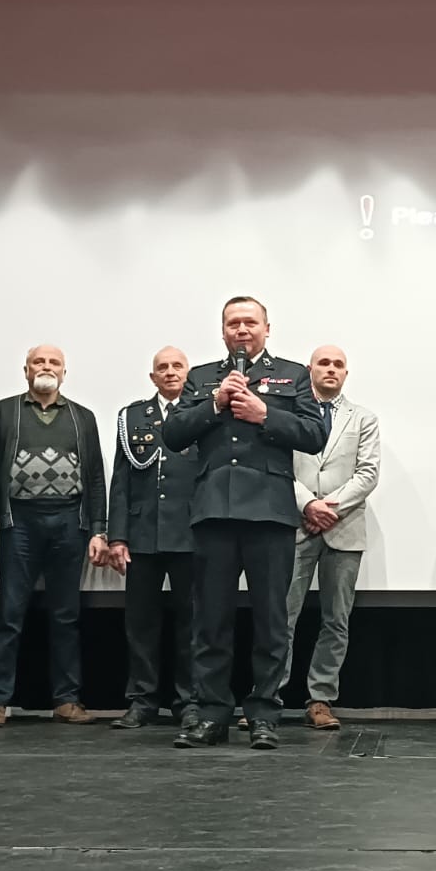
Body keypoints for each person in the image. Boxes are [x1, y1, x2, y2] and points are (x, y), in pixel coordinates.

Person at [162, 296, 328, 749]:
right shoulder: (201, 378)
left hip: (270, 514)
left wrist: (266, 414)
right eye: (233, 323)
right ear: (223, 331)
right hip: (213, 512)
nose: (241, 329)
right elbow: (173, 434)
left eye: (250, 322)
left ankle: (264, 715)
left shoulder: (293, 375)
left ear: (266, 328)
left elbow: (315, 435)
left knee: (271, 622)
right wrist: (215, 404)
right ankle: (211, 714)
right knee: (210, 622)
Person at [0, 344, 109, 727]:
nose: (46, 367)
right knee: (9, 614)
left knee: (66, 615)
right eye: (39, 361)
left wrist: (98, 528)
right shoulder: (3, 412)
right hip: (20, 522)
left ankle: (67, 700)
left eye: (54, 362)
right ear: (26, 370)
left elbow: (95, 477)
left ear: (64, 373)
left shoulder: (82, 417)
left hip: (70, 521)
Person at [282, 344, 381, 730]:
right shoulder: (290, 415)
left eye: (338, 364)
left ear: (346, 373)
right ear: (310, 369)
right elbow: (279, 467)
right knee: (281, 616)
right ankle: (268, 698)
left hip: (344, 526)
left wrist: (327, 509)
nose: (331, 369)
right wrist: (308, 505)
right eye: (324, 363)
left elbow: (368, 473)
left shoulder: (364, 418)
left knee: (336, 619)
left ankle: (320, 699)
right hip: (296, 524)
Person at [106, 347, 199, 731]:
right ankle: (142, 700)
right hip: (142, 535)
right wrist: (117, 537)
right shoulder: (133, 417)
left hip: (190, 534)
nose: (170, 372)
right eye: (163, 367)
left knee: (191, 624)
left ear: (188, 373)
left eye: (177, 366)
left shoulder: (201, 414)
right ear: (153, 377)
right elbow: (121, 481)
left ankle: (189, 701)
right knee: (141, 624)